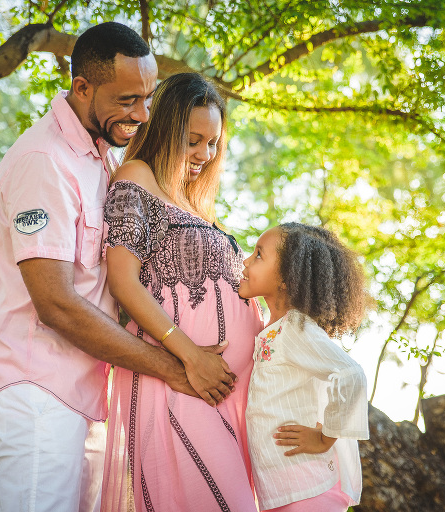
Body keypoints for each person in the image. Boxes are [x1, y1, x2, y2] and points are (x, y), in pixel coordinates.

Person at [0, 24, 234, 512]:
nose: (141, 114)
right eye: (127, 99)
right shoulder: (44, 160)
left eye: (148, 98)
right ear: (82, 88)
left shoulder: (100, 159)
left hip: (90, 393)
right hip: (37, 391)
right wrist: (175, 367)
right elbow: (56, 304)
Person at [100, 72, 264, 511]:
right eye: (193, 140)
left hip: (227, 394)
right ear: (166, 128)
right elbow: (123, 281)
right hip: (181, 384)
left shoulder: (195, 205)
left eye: (212, 143)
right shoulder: (136, 177)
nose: (204, 155)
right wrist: (192, 356)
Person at [238, 222, 370, 512]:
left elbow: (351, 375)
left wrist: (325, 438)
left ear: (286, 278)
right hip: (284, 490)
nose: (246, 261)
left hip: (308, 489)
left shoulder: (296, 328)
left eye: (259, 254)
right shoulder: (271, 327)